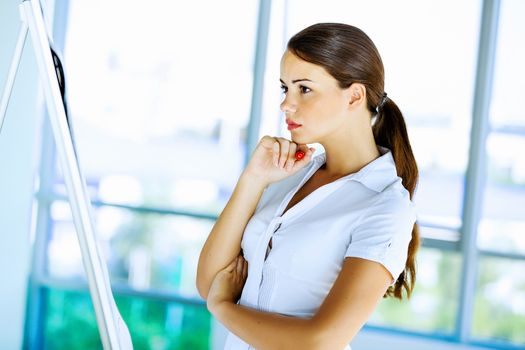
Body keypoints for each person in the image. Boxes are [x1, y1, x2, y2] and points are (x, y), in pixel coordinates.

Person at [196, 22, 420, 350]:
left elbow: (321, 341)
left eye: (304, 89)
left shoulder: (386, 206)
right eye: (285, 88)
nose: (286, 104)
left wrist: (223, 308)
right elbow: (209, 282)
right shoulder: (287, 172)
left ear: (354, 96)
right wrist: (253, 179)